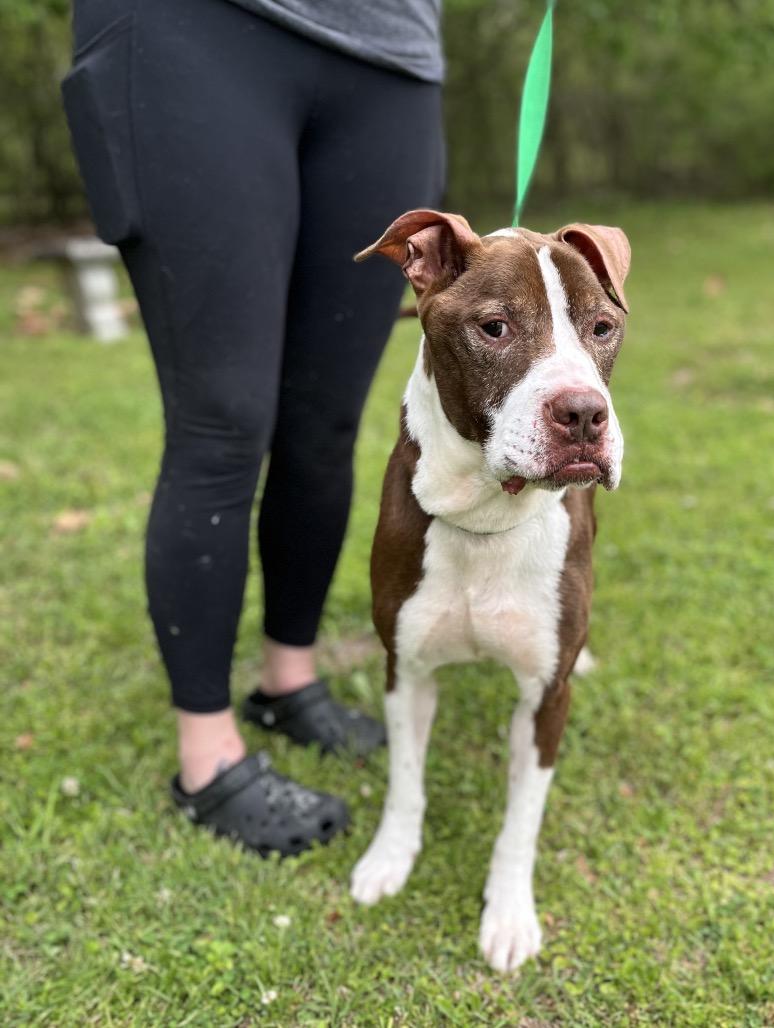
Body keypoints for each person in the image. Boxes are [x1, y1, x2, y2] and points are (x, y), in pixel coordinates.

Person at [61, 0, 444, 857]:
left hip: (392, 56)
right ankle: (207, 756)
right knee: (223, 422)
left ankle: (288, 679)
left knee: (326, 422)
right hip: (186, 33)